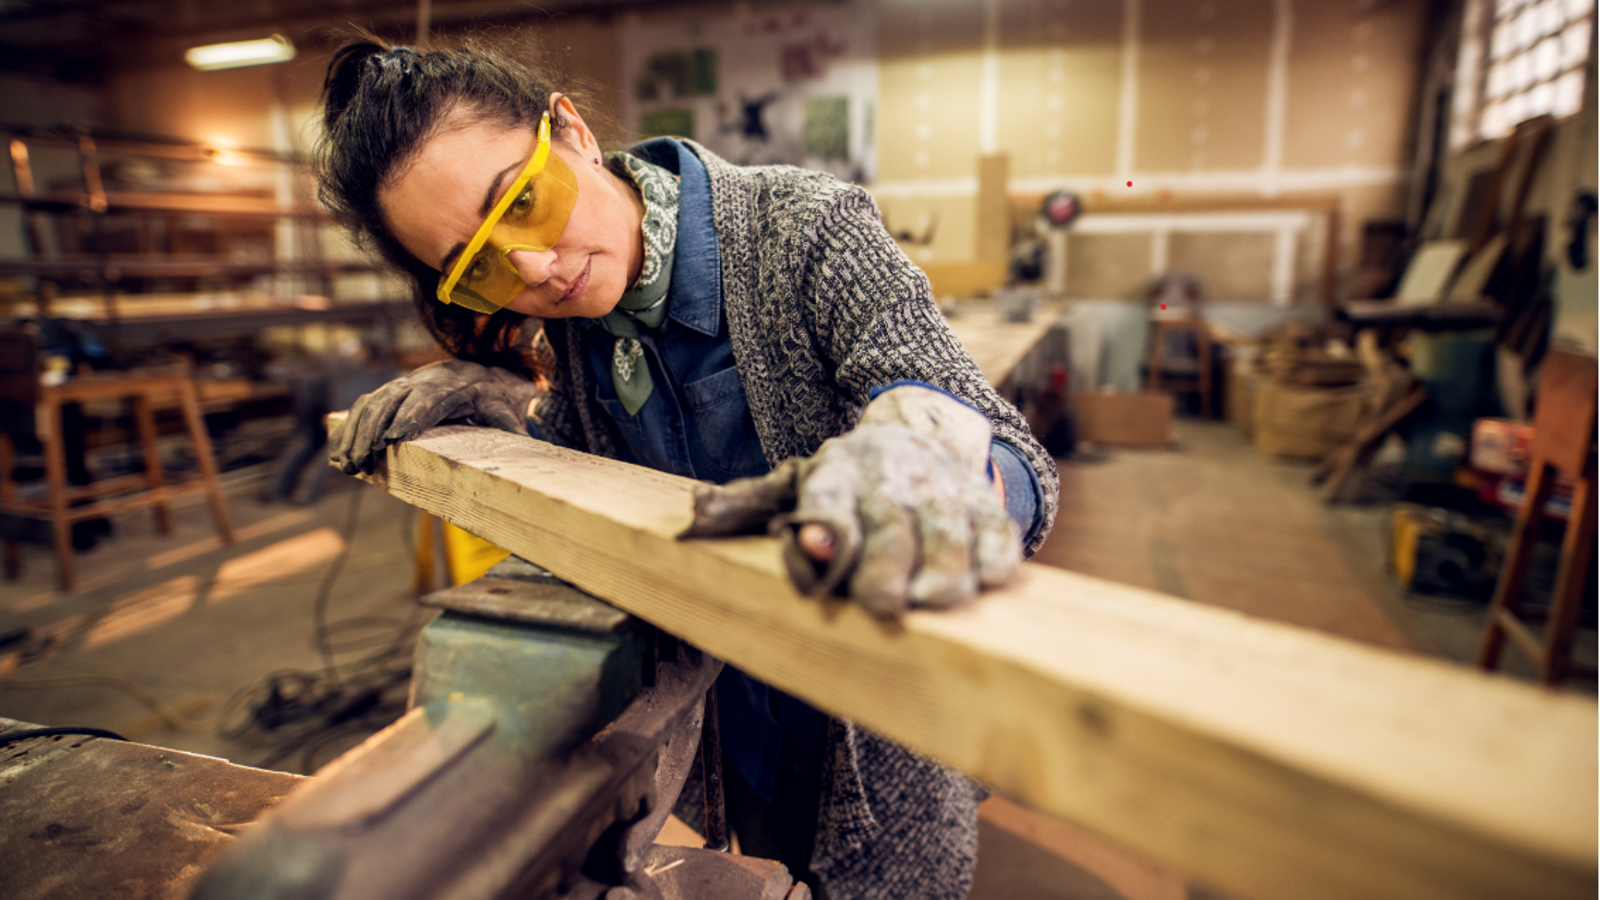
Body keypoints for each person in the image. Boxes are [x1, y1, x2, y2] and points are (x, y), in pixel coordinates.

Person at [317, 38, 1058, 900]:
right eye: (477, 266)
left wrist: (936, 458)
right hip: (735, 725)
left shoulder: (806, 228)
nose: (536, 268)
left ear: (573, 132)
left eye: (523, 201)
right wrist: (495, 414)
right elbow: (589, 479)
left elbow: (1017, 457)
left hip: (877, 738)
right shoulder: (580, 322)